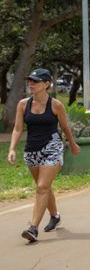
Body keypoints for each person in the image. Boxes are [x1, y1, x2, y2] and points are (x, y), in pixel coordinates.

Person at [7, 68, 80, 242]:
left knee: (42, 187)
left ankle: (33, 228)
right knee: (44, 187)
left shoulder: (56, 105)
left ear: (46, 84)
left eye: (35, 81)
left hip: (52, 147)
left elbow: (65, 127)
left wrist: (72, 144)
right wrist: (12, 148)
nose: (31, 83)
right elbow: (17, 129)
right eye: (30, 80)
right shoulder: (23, 104)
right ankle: (55, 216)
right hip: (32, 150)